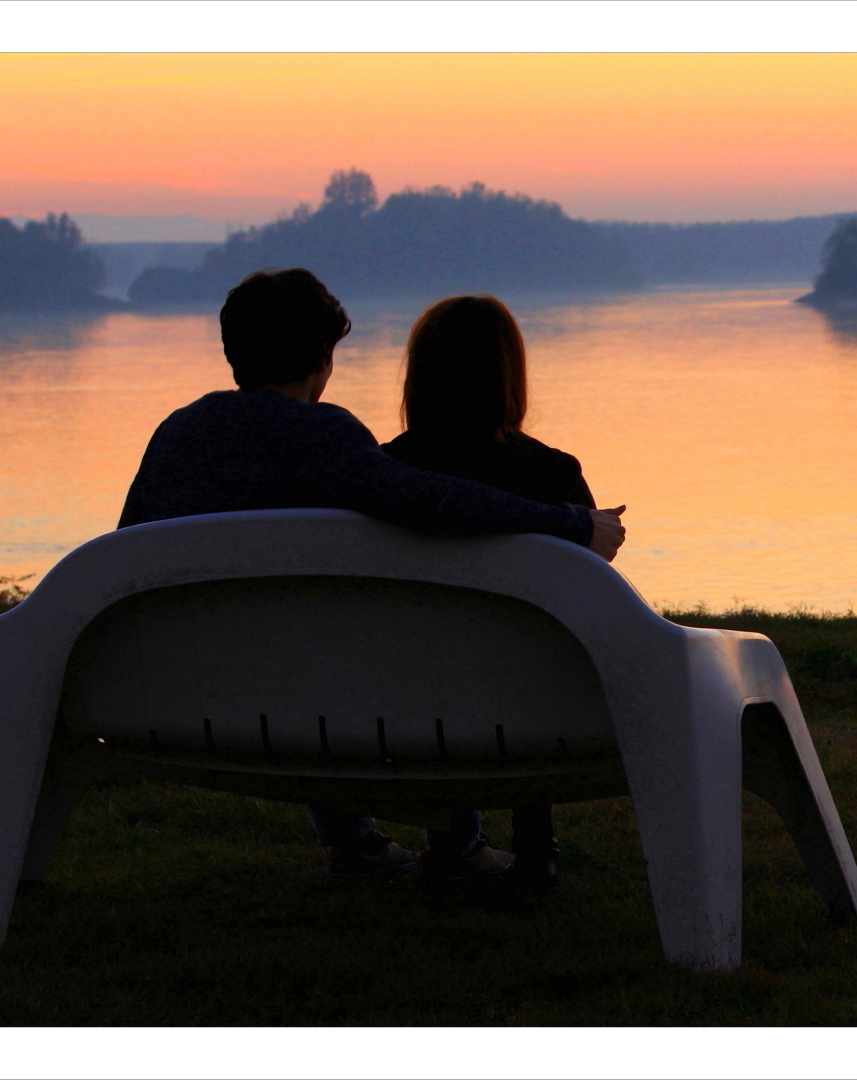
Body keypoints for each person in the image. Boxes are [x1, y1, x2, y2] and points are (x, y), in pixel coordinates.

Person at [117, 269, 626, 885]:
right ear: (324, 360)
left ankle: (355, 845)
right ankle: (456, 846)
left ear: (233, 353)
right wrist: (569, 524)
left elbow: (124, 552)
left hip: (175, 695)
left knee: (311, 641)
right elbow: (426, 500)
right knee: (380, 639)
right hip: (325, 707)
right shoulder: (323, 437)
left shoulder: (176, 435)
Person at [382, 295, 617, 895]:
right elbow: (593, 594)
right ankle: (536, 842)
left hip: (399, 694)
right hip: (539, 702)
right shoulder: (553, 477)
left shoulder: (386, 473)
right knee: (532, 652)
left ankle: (450, 843)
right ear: (510, 376)